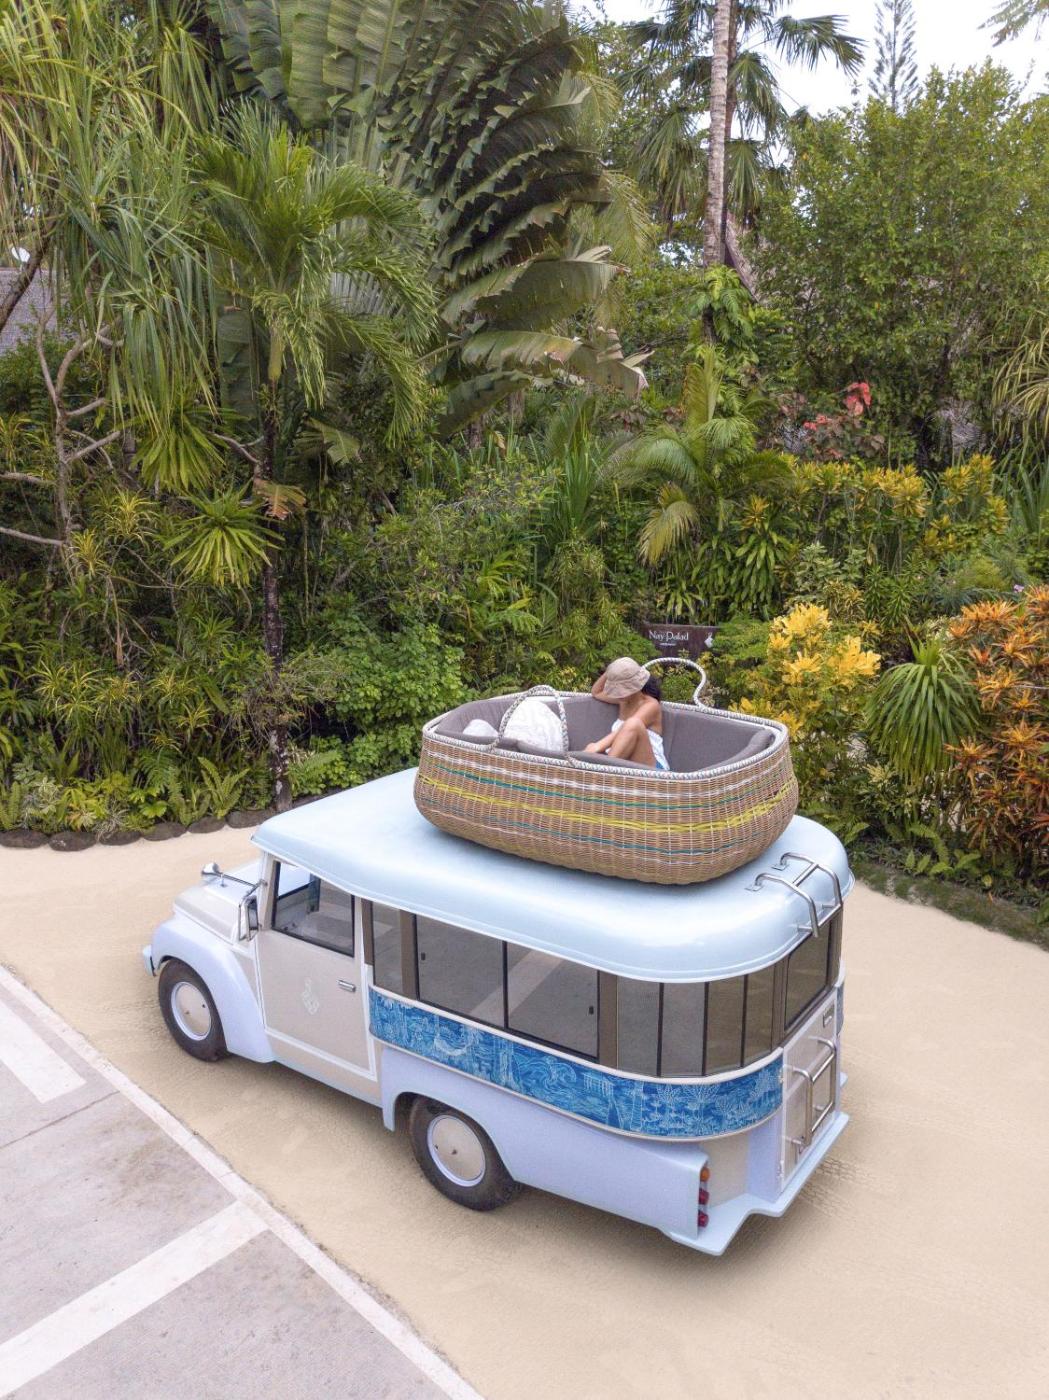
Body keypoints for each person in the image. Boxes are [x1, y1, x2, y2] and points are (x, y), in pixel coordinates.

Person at [585, 657, 669, 769]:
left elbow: (628, 728)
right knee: (594, 748)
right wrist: (612, 670)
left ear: (635, 686)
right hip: (620, 764)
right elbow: (596, 692)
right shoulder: (623, 700)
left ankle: (603, 773)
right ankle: (603, 772)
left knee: (633, 723)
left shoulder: (651, 705)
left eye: (621, 690)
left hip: (652, 769)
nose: (618, 694)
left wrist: (597, 746)